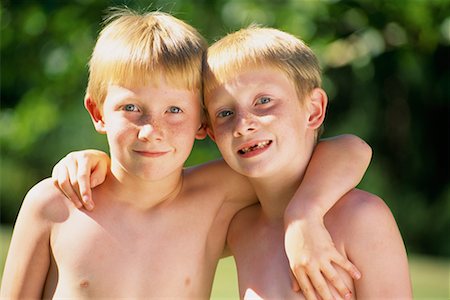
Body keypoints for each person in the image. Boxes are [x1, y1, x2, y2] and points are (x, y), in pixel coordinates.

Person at [1, 8, 371, 299]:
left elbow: (348, 149)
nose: (151, 130)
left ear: (202, 124)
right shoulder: (54, 204)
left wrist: (304, 215)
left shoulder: (218, 196)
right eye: (131, 109)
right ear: (98, 113)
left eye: (175, 111)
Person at [201, 26, 412, 298]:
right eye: (225, 112)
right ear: (210, 133)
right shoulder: (241, 230)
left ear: (313, 110)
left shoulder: (361, 217)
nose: (242, 125)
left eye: (263, 101)